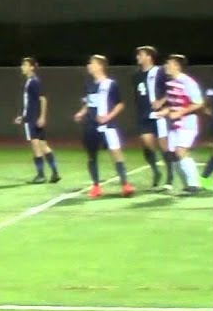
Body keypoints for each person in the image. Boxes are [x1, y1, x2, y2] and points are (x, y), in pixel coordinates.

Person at [72, 54, 133, 199]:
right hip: (90, 126)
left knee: (116, 152)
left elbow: (120, 104)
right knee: (92, 156)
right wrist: (81, 113)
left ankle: (125, 185)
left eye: (92, 63)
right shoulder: (88, 85)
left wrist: (108, 117)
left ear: (100, 66)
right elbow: (88, 103)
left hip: (108, 126)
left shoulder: (111, 84)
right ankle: (96, 187)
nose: (89, 66)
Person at [156, 54, 205, 194]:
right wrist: (165, 112)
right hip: (175, 125)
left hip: (187, 123)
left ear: (177, 66)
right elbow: (174, 105)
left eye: (169, 63)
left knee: (180, 151)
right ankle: (186, 185)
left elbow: (198, 103)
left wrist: (180, 112)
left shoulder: (188, 82)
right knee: (173, 154)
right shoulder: (171, 83)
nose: (166, 66)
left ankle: (194, 185)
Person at [132, 45, 174, 191]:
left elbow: (172, 88)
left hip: (159, 114)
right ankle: (156, 171)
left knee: (163, 145)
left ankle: (169, 178)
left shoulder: (160, 71)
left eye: (141, 54)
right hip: (144, 115)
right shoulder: (136, 75)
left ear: (149, 57)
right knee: (146, 143)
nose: (138, 57)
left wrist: (161, 102)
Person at [14, 57, 60, 183]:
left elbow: (43, 99)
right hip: (32, 117)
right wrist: (23, 117)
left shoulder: (33, 82)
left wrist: (42, 116)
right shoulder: (31, 81)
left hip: (33, 119)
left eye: (25, 65)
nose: (22, 67)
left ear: (32, 67)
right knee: (43, 146)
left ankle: (41, 175)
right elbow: (31, 103)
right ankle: (55, 173)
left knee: (36, 146)